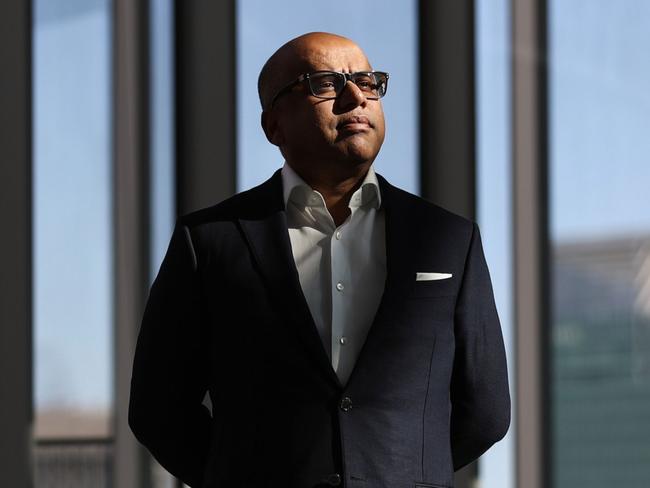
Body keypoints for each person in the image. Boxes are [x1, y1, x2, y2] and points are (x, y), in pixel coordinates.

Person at [129, 32, 510, 488]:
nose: (356, 98)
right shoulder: (208, 241)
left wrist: (404, 469)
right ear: (274, 126)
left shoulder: (450, 238)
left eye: (368, 82)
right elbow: (157, 408)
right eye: (325, 82)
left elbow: (485, 409)